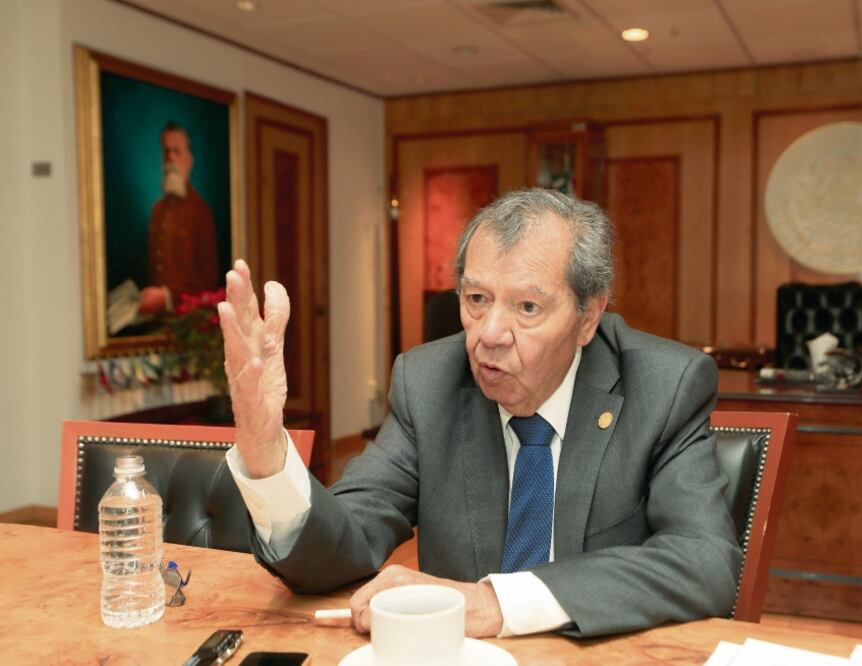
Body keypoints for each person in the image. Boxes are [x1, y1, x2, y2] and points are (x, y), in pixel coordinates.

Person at [219, 188, 741, 639]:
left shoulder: (665, 386)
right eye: (476, 298)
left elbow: (704, 563)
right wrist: (266, 454)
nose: (489, 334)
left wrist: (496, 602)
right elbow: (343, 546)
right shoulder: (429, 382)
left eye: (527, 308)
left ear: (590, 315)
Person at [138, 122, 219, 315]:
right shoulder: (157, 210)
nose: (170, 158)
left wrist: (166, 297)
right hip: (156, 321)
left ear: (189, 159)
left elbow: (209, 278)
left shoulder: (201, 211)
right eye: (166, 152)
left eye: (176, 151)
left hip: (188, 321)